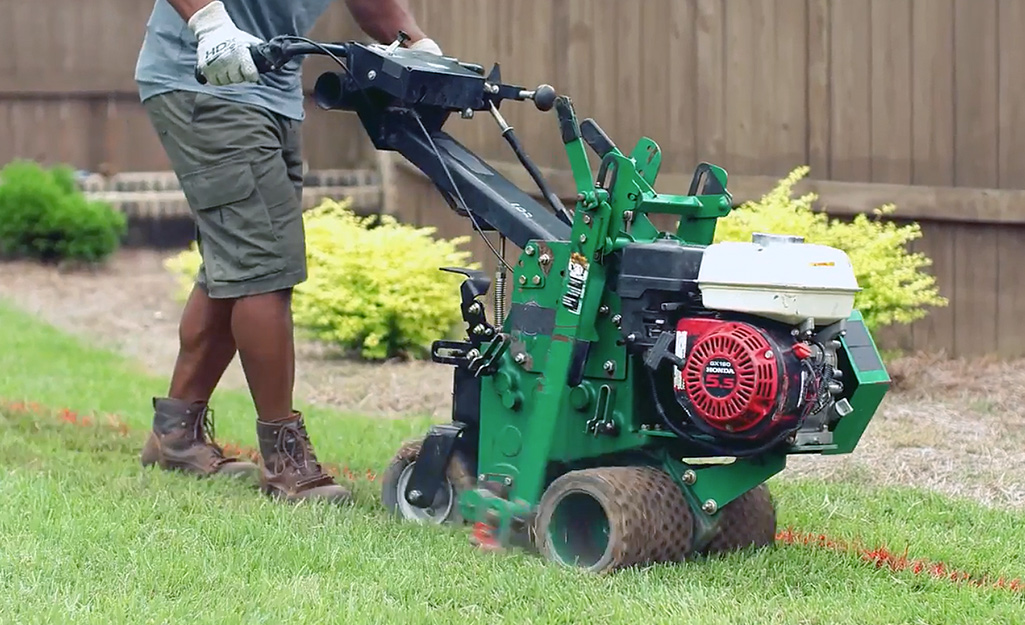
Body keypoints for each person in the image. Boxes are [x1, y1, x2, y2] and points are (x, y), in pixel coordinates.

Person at [134, 0, 441, 504]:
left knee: (234, 262)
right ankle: (287, 464)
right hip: (202, 76)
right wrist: (208, 22)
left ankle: (175, 436)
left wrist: (416, 44)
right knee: (264, 268)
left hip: (269, 90)